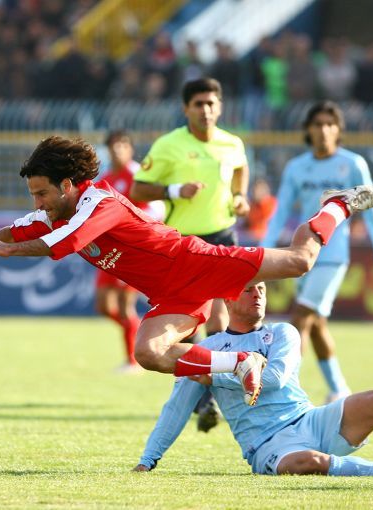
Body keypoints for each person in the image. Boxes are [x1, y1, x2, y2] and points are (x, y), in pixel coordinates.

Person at [0, 135, 373, 406]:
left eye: (41, 193)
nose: (37, 203)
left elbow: (67, 243)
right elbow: (16, 230)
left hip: (196, 262)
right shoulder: (54, 212)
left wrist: (6, 252)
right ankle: (241, 362)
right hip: (170, 294)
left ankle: (336, 205)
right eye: (33, 196)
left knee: (301, 261)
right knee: (148, 353)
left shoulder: (98, 203)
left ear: (66, 185)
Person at [133, 282, 373, 477]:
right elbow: (176, 408)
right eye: (248, 289)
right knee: (307, 462)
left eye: (262, 289)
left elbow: (275, 379)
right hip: (267, 446)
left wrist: (221, 373)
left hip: (310, 420)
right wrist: (149, 460)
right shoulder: (208, 348)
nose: (258, 295)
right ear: (227, 301)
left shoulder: (283, 332)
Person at [129, 77, 251, 430]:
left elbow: (240, 169)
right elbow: (138, 188)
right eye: (199, 104)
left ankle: (215, 394)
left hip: (223, 235)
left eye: (211, 103)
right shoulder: (169, 145)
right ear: (186, 109)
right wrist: (173, 190)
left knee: (221, 318)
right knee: (188, 321)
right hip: (183, 242)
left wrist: (239, 196)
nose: (206, 110)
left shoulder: (232, 143)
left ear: (220, 106)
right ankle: (205, 393)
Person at [260, 101, 373, 403]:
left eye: (329, 124)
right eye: (318, 124)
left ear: (338, 130)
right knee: (317, 323)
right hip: (302, 254)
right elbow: (281, 212)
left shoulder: (353, 163)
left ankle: (284, 390)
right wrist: (265, 251)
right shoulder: (296, 167)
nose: (323, 130)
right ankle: (339, 389)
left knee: (300, 318)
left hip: (333, 256)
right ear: (308, 130)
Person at [94, 130, 158, 373]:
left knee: (124, 305)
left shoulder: (137, 175)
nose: (117, 149)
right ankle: (137, 333)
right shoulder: (106, 179)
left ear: (130, 149)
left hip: (131, 251)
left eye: (122, 145)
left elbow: (154, 210)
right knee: (103, 305)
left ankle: (132, 360)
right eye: (113, 145)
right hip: (108, 250)